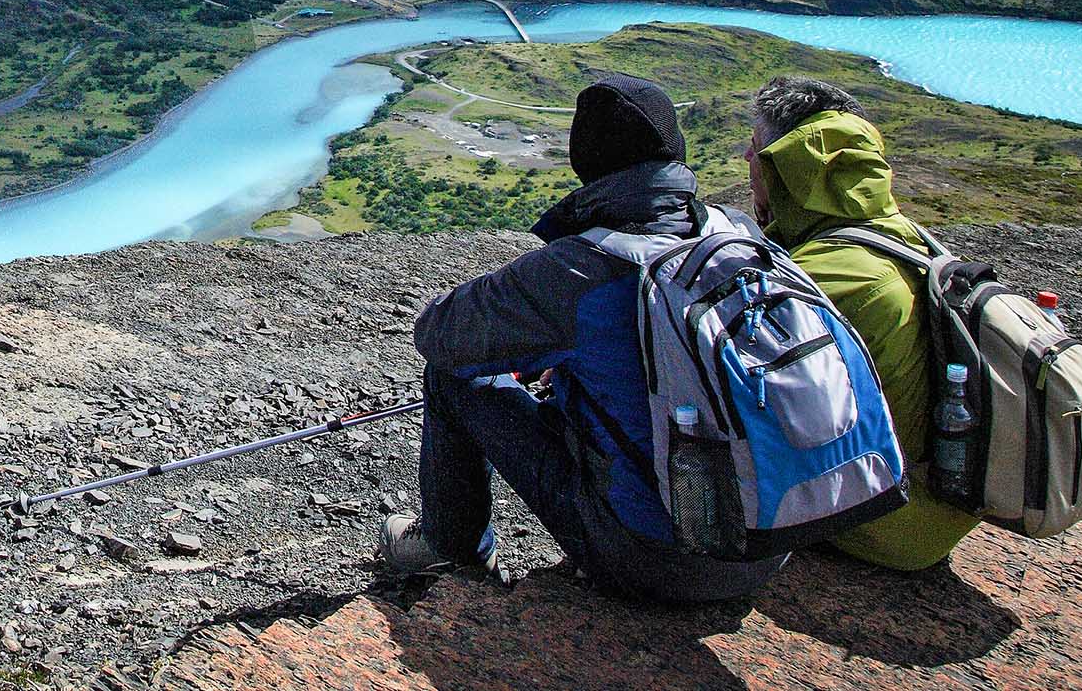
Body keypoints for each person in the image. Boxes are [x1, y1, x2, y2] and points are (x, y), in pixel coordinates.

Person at [380, 73, 788, 601]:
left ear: (587, 162)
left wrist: (536, 333)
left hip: (653, 561)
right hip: (773, 541)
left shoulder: (583, 267)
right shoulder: (738, 233)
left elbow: (439, 334)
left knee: (453, 378)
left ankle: (449, 546)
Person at [744, 76, 979, 571]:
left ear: (785, 164)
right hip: (938, 515)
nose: (747, 161)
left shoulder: (819, 276)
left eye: (755, 148)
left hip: (881, 523)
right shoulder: (903, 240)